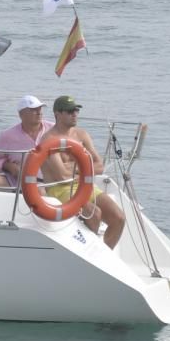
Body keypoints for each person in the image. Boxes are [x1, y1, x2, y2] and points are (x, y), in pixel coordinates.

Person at [39, 95, 127, 249]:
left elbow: (99, 166)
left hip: (85, 185)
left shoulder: (81, 135)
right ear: (57, 114)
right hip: (60, 189)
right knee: (94, 213)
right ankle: (89, 252)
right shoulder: (48, 139)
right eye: (70, 111)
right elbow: (62, 175)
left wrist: (74, 167)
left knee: (118, 217)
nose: (75, 114)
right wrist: (84, 165)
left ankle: (104, 255)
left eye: (76, 110)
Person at [0, 95, 54, 186]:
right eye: (34, 110)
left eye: (40, 109)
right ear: (21, 114)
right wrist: (9, 166)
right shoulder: (7, 135)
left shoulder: (53, 129)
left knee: (40, 191)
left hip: (48, 182)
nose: (39, 113)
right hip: (18, 182)